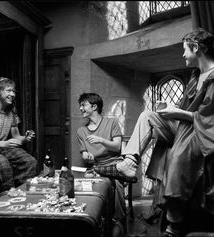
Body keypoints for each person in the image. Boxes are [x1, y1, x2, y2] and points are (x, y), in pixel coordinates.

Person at [94, 28, 214, 237]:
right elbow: (185, 105)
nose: (183, 54)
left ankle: (174, 225)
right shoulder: (196, 75)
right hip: (182, 124)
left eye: (185, 49)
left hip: (200, 128)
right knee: (147, 115)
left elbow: (208, 117)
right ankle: (130, 162)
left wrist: (177, 112)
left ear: (196, 47)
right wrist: (170, 108)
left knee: (176, 157)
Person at [77, 93, 136, 236]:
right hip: (96, 165)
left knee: (116, 181)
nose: (80, 108)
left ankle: (118, 220)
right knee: (93, 178)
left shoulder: (112, 122)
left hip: (114, 162)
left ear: (94, 106)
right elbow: (84, 154)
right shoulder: (81, 131)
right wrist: (88, 157)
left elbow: (117, 147)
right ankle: (99, 220)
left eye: (83, 104)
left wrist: (100, 140)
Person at [0, 77, 37, 193]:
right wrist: (4, 143)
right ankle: (7, 194)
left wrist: (25, 138)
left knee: (30, 161)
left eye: (13, 91)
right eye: (8, 90)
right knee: (3, 164)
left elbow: (16, 137)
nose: (12, 94)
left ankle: (22, 191)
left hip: (3, 147)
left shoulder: (12, 111)